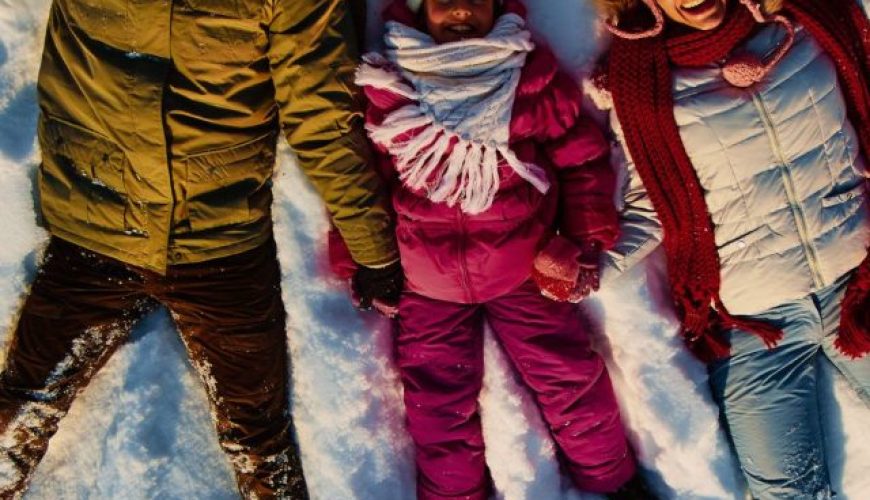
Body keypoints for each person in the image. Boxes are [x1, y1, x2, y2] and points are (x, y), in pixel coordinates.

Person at [0, 0, 403, 498]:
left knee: (260, 445)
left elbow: (320, 116)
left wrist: (373, 249)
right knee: (25, 407)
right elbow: (320, 117)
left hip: (207, 239)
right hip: (109, 227)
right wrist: (375, 255)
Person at [331, 0, 653, 498]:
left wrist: (581, 236)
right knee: (438, 406)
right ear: (419, 10)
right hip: (426, 284)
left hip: (522, 269)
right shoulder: (392, 89)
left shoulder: (528, 80)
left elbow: (581, 158)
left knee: (569, 377)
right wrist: (359, 256)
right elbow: (364, 183)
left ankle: (613, 480)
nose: (461, 8)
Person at [592, 0, 870, 497]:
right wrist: (590, 269)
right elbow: (652, 203)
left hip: (858, 281)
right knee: (788, 492)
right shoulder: (642, 87)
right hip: (756, 323)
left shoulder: (807, 20)